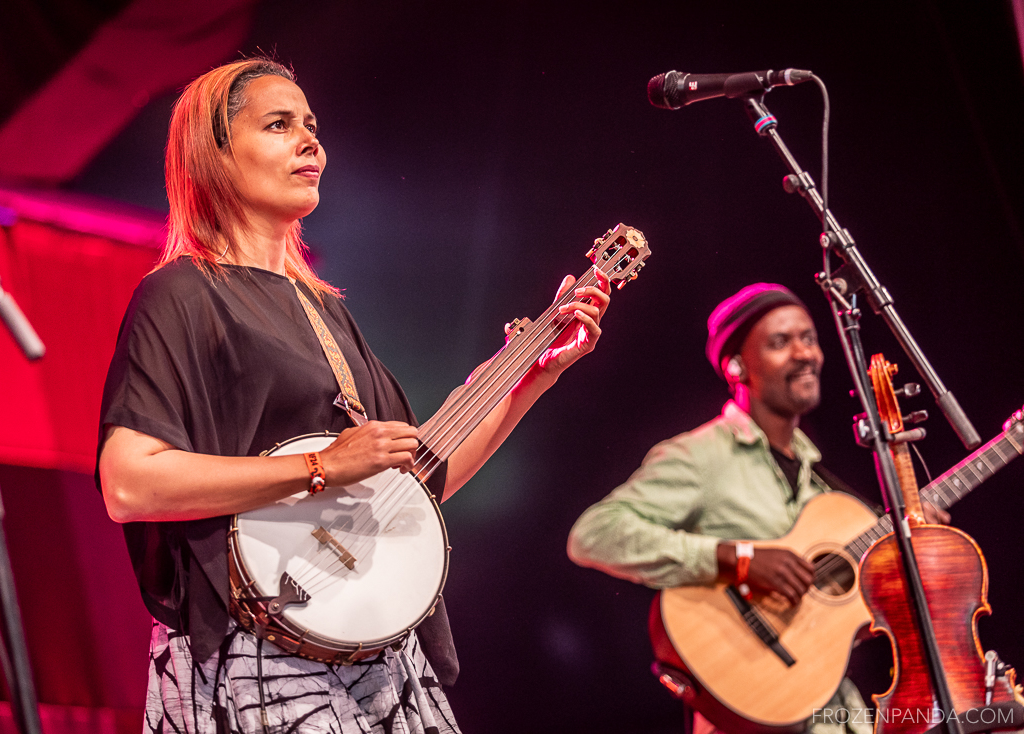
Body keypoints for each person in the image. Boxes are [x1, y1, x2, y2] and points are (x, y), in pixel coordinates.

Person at [96, 57, 610, 734]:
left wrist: (537, 373)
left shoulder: (325, 309)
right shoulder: (183, 293)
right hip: (257, 654)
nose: (311, 142)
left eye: (311, 125)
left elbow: (423, 478)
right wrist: (321, 468)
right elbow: (129, 483)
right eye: (279, 125)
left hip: (377, 657)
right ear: (213, 152)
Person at [566, 283, 948, 734]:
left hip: (833, 711)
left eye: (809, 338)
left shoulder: (819, 476)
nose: (805, 353)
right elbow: (594, 534)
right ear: (736, 365)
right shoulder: (701, 455)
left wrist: (911, 538)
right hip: (742, 713)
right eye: (781, 342)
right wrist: (738, 559)